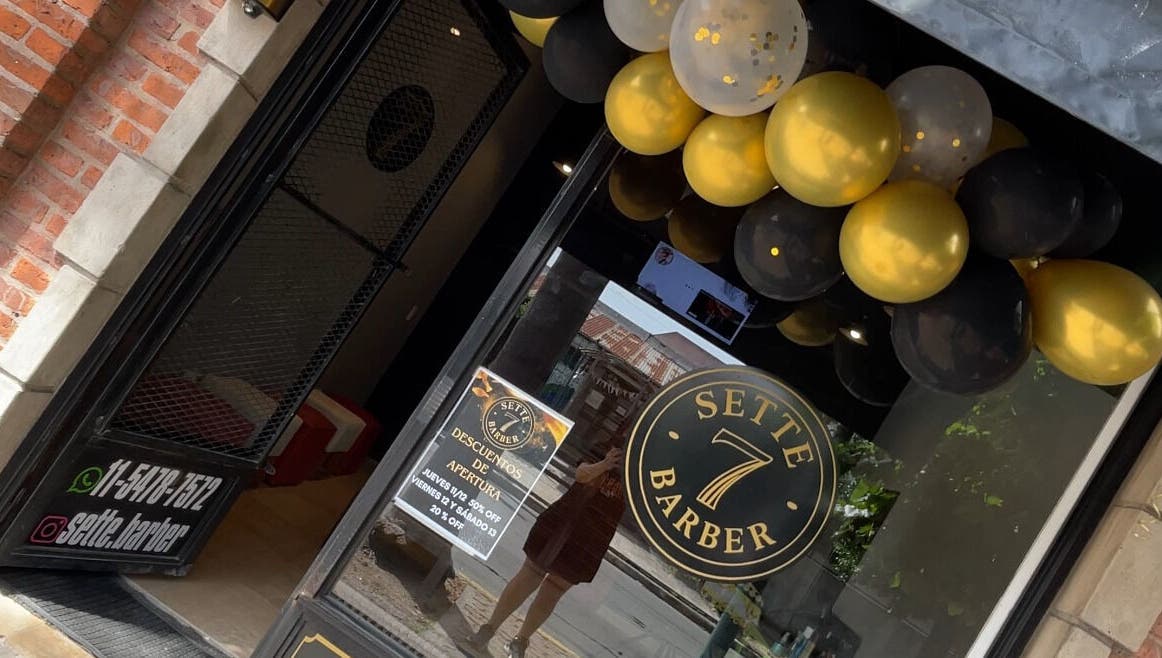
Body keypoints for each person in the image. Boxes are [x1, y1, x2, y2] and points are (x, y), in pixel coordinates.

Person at [458, 438, 626, 658]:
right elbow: (581, 474)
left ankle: (520, 642)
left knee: (553, 591)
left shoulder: (646, 472)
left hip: (594, 537)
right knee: (529, 575)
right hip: (566, 520)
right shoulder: (614, 444)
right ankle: (489, 629)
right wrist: (605, 464)